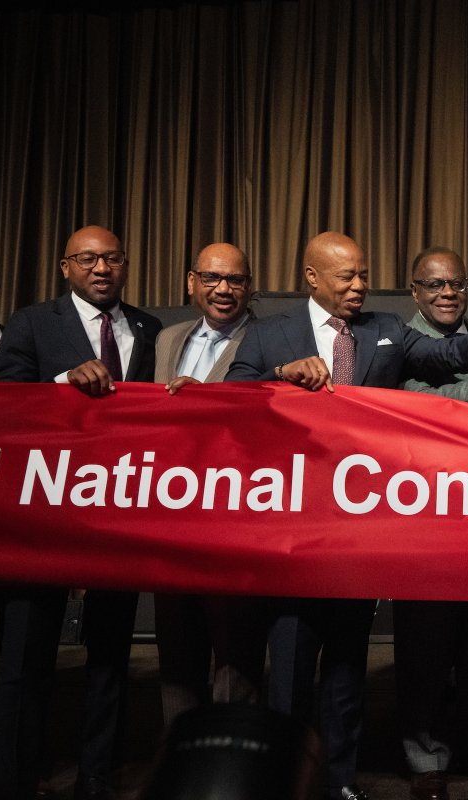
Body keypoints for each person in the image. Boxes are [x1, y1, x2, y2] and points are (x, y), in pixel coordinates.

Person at [226, 231, 468, 800]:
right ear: (312, 277)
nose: (360, 286)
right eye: (347, 277)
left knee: (346, 670)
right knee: (289, 672)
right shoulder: (269, 335)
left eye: (364, 274)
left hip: (360, 533)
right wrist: (280, 378)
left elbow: (444, 357)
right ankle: (283, 783)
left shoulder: (387, 331)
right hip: (291, 532)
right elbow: (231, 396)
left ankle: (341, 781)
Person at [0, 225, 163, 800]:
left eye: (112, 258)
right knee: (26, 652)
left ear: (125, 264)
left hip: (116, 513)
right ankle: (17, 774)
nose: (101, 268)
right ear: (65, 267)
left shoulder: (148, 328)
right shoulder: (32, 322)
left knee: (110, 654)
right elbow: (4, 404)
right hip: (43, 513)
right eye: (88, 259)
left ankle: (97, 772)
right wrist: (62, 383)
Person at [395, 246, 468, 800]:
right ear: (415, 291)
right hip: (424, 515)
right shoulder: (401, 341)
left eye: (456, 284)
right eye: (434, 285)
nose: (446, 293)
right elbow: (415, 400)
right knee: (424, 648)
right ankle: (425, 758)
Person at [153, 243, 269, 728]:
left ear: (249, 287)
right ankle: (178, 759)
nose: (223, 289)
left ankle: (226, 761)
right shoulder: (166, 339)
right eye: (212, 277)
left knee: (235, 654)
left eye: (235, 280)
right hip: (169, 521)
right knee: (176, 651)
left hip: (235, 520)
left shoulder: (271, 340)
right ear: (191, 282)